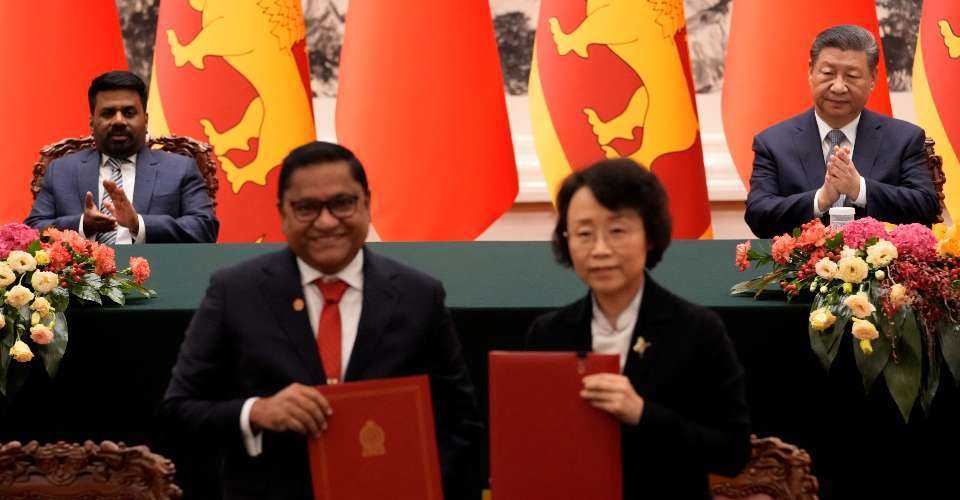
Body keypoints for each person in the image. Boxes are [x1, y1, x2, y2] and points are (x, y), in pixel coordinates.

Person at [160, 141, 482, 499]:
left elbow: (460, 423)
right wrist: (256, 411)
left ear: (367, 204)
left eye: (342, 204)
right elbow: (178, 411)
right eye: (307, 208)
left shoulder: (419, 296)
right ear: (282, 213)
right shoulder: (235, 292)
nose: (326, 222)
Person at [527, 159, 750, 499]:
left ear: (649, 235)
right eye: (584, 234)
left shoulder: (697, 330)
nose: (600, 250)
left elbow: (732, 453)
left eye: (617, 231)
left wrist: (643, 414)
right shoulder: (548, 334)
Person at [745, 25, 939, 238]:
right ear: (811, 71)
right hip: (796, 270)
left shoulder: (905, 139)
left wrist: (859, 189)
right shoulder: (772, 143)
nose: (838, 87)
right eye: (828, 73)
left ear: (872, 78)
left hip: (884, 269)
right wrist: (820, 200)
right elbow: (758, 215)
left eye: (852, 75)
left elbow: (926, 208)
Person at [25, 70, 218, 243]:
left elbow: (204, 229)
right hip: (79, 280)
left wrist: (138, 224)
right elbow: (31, 232)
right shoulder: (61, 170)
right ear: (92, 122)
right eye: (108, 113)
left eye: (129, 112)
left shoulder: (180, 169)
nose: (119, 121)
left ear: (146, 119)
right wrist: (82, 225)